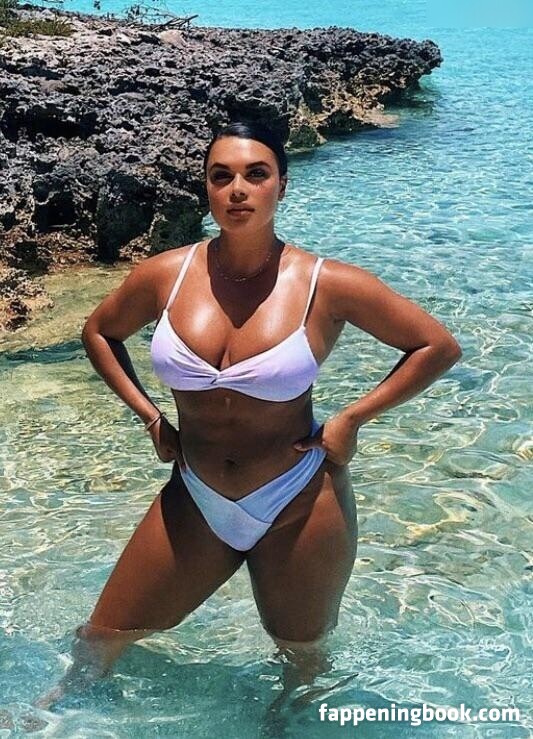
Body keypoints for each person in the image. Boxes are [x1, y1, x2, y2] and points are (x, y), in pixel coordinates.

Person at [37, 120, 462, 707]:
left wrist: (351, 419)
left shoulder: (326, 283)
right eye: (222, 176)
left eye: (255, 174)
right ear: (207, 189)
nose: (238, 189)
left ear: (281, 185)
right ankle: (50, 721)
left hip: (299, 500)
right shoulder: (166, 275)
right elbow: (100, 332)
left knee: (302, 664)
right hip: (196, 495)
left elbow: (435, 346)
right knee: (100, 639)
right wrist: (150, 417)